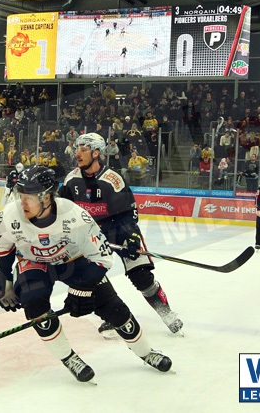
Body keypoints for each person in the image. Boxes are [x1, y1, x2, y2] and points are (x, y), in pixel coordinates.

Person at [0, 166, 172, 382]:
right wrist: (5, 277)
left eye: (28, 197)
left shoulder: (74, 216)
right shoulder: (10, 215)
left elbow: (103, 258)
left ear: (46, 197)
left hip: (74, 260)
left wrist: (82, 289)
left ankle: (146, 352)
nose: (22, 203)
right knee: (34, 304)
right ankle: (69, 358)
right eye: (20, 196)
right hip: (34, 262)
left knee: (113, 307)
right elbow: (4, 247)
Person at [58, 133, 183, 336]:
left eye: (83, 149)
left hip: (118, 230)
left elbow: (129, 213)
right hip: (90, 236)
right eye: (77, 149)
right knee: (92, 278)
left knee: (141, 276)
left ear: (96, 153)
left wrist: (131, 237)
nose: (77, 153)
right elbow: (65, 211)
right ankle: (114, 315)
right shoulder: (71, 180)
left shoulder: (112, 180)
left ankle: (166, 312)